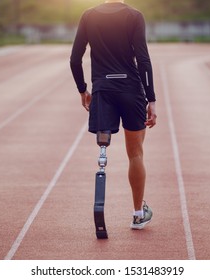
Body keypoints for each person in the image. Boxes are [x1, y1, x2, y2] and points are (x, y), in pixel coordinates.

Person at [70, 0, 157, 230]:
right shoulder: (134, 16)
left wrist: (82, 90)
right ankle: (138, 214)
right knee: (135, 153)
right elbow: (144, 60)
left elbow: (74, 59)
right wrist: (152, 99)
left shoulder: (88, 15)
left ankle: (102, 163)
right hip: (131, 91)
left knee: (103, 148)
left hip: (103, 92)